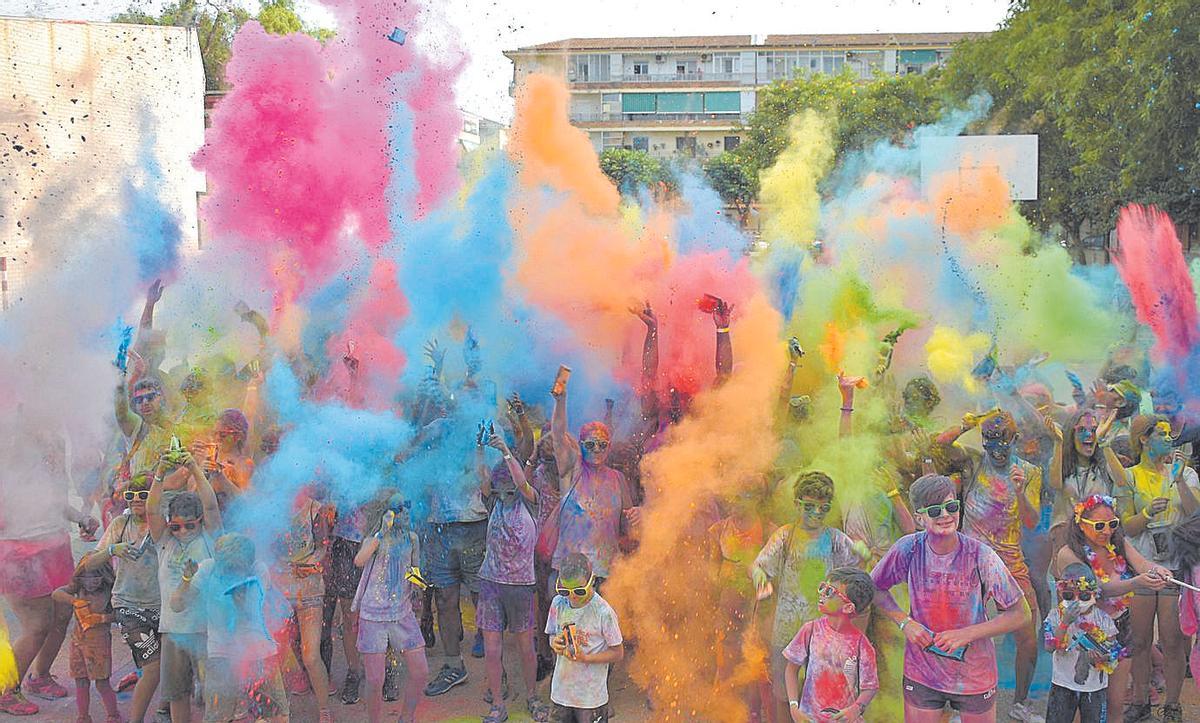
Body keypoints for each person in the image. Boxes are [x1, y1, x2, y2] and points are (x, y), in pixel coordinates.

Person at [871, 474, 1031, 723]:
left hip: (974, 673)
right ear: (919, 517)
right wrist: (905, 622)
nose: (945, 515)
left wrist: (967, 634)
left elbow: (1021, 613)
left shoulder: (981, 555)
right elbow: (875, 588)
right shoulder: (909, 549)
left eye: (951, 506)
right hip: (922, 671)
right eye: (935, 510)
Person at [749, 470, 865, 722]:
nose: (815, 514)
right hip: (787, 630)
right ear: (797, 504)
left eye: (823, 508)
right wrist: (759, 577)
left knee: (820, 694)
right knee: (783, 694)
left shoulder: (834, 539)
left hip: (823, 633)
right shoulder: (785, 535)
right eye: (809, 507)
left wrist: (863, 553)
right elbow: (760, 565)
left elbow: (856, 570)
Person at [958, 411, 1044, 722]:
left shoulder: (1030, 472)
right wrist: (964, 426)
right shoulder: (973, 461)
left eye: (1002, 442)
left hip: (1010, 559)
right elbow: (937, 447)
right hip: (971, 559)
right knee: (963, 630)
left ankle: (1020, 703)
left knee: (1028, 634)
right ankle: (961, 704)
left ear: (1014, 440)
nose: (995, 449)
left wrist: (1020, 492)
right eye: (989, 442)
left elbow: (1032, 522)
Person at [1054, 494, 1170, 723]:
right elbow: (1098, 590)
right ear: (1080, 524)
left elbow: (1142, 564)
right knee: (1085, 704)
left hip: (1121, 625)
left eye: (1112, 524)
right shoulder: (1069, 555)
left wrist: (1159, 570)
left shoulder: (1117, 543)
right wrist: (1137, 582)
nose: (1107, 531)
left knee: (1115, 703)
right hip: (1087, 633)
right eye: (1099, 526)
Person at [1115, 415, 1199, 723]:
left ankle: (1173, 705)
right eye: (1161, 433)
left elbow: (1195, 514)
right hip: (1140, 567)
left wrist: (1178, 480)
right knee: (1138, 641)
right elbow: (1124, 526)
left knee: (1173, 640)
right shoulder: (1130, 477)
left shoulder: (1186, 473)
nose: (1168, 438)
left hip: (1176, 567)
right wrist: (1148, 512)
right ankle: (1140, 701)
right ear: (1144, 439)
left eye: (1169, 433)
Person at [171, 533, 289, 723]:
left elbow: (251, 616)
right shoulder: (207, 569)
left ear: (248, 564)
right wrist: (186, 579)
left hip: (259, 652)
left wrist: (240, 601)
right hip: (221, 654)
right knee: (218, 717)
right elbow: (177, 605)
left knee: (277, 716)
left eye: (235, 568)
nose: (228, 573)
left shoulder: (259, 571)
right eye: (224, 566)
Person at [476, 430, 551, 722]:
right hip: (491, 584)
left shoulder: (530, 501)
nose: (504, 493)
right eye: (499, 489)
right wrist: (481, 450)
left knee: (525, 647)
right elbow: (483, 480)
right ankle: (497, 704)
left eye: (508, 488)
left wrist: (507, 452)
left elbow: (521, 482)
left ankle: (532, 698)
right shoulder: (494, 502)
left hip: (520, 586)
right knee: (492, 649)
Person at [147, 449, 222, 723]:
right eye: (176, 526)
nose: (182, 532)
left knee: (211, 693)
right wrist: (159, 474)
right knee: (177, 694)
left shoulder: (209, 538)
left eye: (189, 525)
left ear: (200, 522)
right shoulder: (164, 542)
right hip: (173, 631)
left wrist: (194, 468)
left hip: (205, 630)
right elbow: (151, 509)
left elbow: (211, 506)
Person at [547, 367, 638, 593]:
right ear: (580, 445)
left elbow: (628, 523)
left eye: (602, 444)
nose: (596, 449)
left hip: (605, 571)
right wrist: (561, 401)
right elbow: (558, 435)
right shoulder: (571, 469)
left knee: (600, 628)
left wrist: (638, 516)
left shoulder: (617, 479)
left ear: (609, 447)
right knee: (568, 627)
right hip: (570, 573)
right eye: (590, 444)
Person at [86, 472, 162, 723]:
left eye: (143, 495)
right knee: (153, 667)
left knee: (169, 668)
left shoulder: (163, 523)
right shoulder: (120, 524)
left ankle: (165, 712)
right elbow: (89, 563)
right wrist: (112, 549)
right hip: (128, 607)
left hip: (164, 607)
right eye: (131, 496)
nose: (136, 500)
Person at [352, 494, 429, 723]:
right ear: (388, 513)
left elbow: (413, 570)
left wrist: (419, 585)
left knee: (421, 671)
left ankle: (407, 718)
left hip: (402, 614)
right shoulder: (374, 540)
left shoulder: (412, 539)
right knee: (375, 680)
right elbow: (359, 560)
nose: (406, 513)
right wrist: (380, 533)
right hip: (373, 616)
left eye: (408, 508)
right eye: (400, 509)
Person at [782, 567, 879, 723]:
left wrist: (855, 710)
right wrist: (794, 707)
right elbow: (791, 669)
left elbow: (870, 687)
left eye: (829, 592)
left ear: (848, 607)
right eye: (823, 587)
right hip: (809, 718)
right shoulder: (810, 630)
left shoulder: (862, 645)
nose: (822, 594)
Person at [271, 483, 333, 722]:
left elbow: (322, 548)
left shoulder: (314, 510)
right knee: (276, 653)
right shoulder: (273, 510)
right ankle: (277, 710)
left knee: (311, 655)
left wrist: (311, 564)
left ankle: (324, 710)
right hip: (280, 590)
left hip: (309, 588)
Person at [546, 553, 624, 723]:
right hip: (562, 693)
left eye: (579, 591)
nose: (572, 596)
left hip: (591, 698)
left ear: (592, 581)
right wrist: (555, 643)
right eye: (565, 590)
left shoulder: (604, 613)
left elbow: (618, 653)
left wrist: (587, 658)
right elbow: (551, 634)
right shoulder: (558, 603)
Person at [1041, 563, 1121, 723]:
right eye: (1069, 595)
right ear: (1061, 592)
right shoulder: (1055, 616)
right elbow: (1049, 647)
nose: (1077, 601)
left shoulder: (1104, 620)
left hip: (1094, 688)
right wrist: (1065, 623)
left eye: (1083, 596)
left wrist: (1101, 658)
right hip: (1062, 684)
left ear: (1093, 594)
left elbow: (1114, 653)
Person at [52, 556, 121, 723]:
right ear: (80, 577)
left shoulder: (110, 592)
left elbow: (121, 615)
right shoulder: (78, 589)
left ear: (104, 576)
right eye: (86, 578)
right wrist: (75, 601)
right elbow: (56, 593)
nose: (91, 583)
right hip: (78, 641)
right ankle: (83, 716)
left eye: (96, 578)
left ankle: (113, 716)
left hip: (99, 644)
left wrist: (100, 618)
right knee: (81, 681)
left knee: (102, 682)